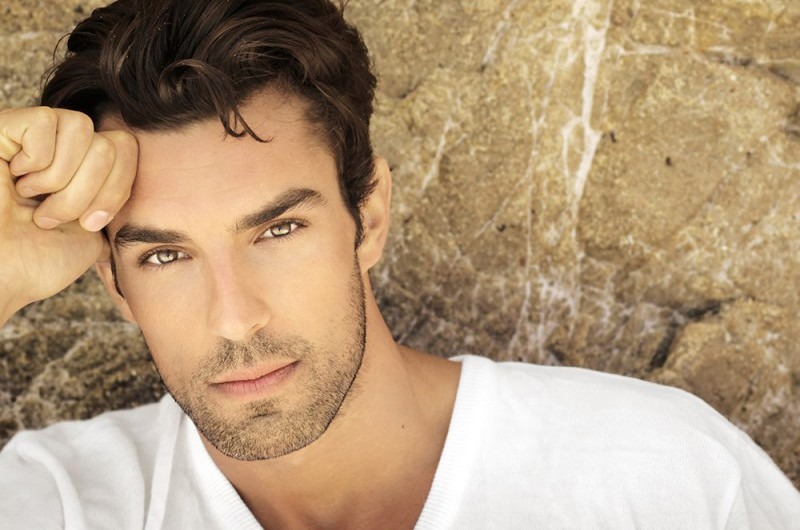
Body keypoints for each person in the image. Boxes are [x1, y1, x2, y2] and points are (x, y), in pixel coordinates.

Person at [0, 0, 798, 528]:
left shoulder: (657, 475)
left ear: (369, 216)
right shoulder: (59, 503)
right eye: (166, 254)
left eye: (278, 230)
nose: (235, 318)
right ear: (114, 282)